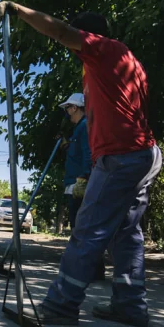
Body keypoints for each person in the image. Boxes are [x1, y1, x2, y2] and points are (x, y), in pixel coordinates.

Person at [0, 3, 161, 327]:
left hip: (121, 156)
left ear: (90, 36)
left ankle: (63, 304)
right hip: (142, 153)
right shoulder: (129, 62)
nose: (73, 49)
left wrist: (16, 10)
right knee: (125, 233)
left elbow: (62, 31)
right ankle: (130, 305)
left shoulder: (104, 50)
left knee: (88, 228)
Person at [58, 93, 104, 281]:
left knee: (82, 228)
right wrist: (68, 146)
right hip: (74, 183)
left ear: (75, 107)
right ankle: (91, 270)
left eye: (68, 108)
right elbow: (79, 152)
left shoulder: (84, 126)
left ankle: (88, 270)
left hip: (79, 184)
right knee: (81, 227)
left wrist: (84, 178)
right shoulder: (79, 129)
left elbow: (88, 153)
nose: (67, 112)